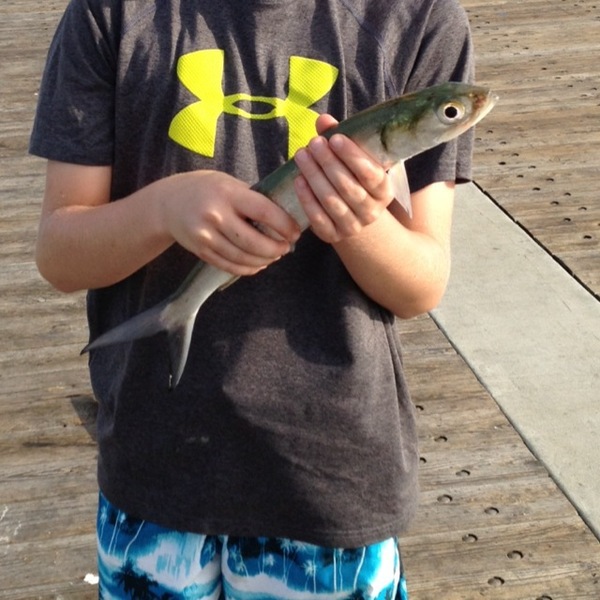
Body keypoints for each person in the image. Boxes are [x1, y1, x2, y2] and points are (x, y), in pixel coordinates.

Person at [30, 0, 474, 597]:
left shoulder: (419, 20)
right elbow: (61, 256)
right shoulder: (110, 14)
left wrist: (355, 219)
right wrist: (163, 208)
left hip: (331, 476)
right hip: (155, 460)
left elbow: (421, 285)